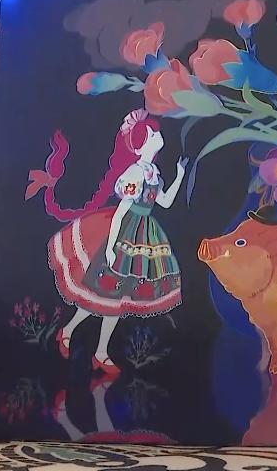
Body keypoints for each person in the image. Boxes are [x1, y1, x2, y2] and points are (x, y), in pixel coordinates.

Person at [26, 109, 186, 375]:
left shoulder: (153, 172)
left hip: (145, 234)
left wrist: (179, 175)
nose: (158, 136)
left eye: (156, 133)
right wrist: (111, 247)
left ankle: (82, 341)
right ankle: (88, 345)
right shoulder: (135, 173)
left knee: (114, 298)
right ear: (141, 146)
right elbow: (121, 212)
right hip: (125, 234)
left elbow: (166, 202)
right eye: (152, 134)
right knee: (109, 295)